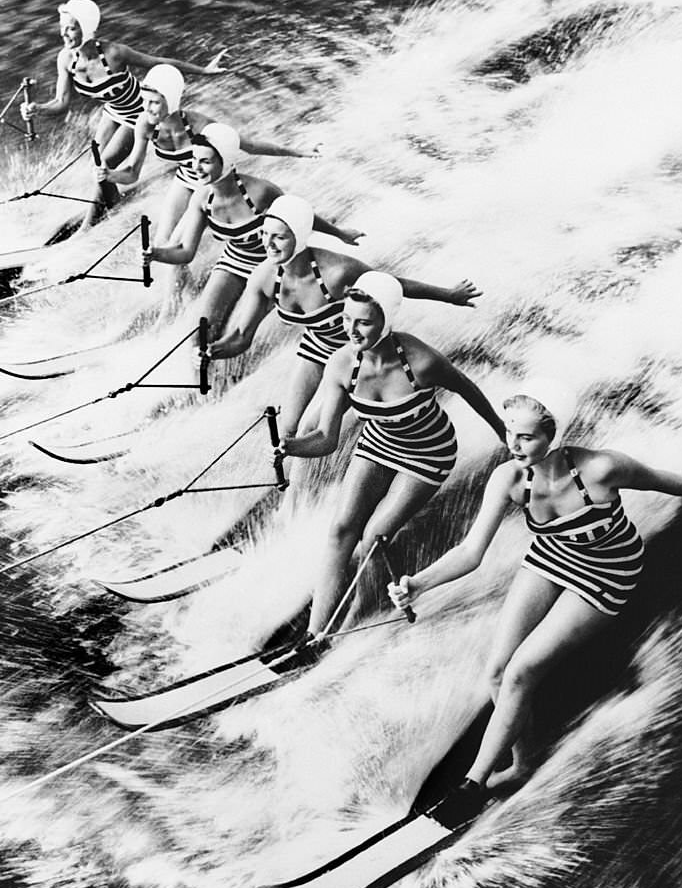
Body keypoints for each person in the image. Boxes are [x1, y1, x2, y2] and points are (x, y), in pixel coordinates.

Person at [388, 380, 682, 824]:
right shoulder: (508, 479)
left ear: (553, 436)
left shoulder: (602, 469)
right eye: (509, 433)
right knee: (498, 671)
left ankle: (473, 783)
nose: (514, 444)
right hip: (551, 557)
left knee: (523, 671)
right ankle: (522, 762)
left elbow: (669, 483)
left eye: (525, 436)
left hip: (607, 573)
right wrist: (418, 584)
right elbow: (471, 552)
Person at [275, 272, 506, 641]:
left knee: (373, 538)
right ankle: (316, 633)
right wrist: (291, 447)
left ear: (386, 320)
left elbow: (467, 389)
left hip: (428, 454)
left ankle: (351, 622)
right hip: (378, 443)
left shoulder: (420, 361)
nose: (351, 330)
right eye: (347, 319)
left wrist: (503, 433)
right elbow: (326, 439)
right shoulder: (341, 365)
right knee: (340, 530)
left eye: (363, 322)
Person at [204, 194, 482, 438]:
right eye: (265, 234)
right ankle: (289, 474)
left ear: (299, 238)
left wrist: (449, 295)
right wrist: (212, 351)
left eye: (279, 236)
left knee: (311, 427)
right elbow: (241, 337)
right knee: (288, 427)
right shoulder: (265, 277)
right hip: (316, 347)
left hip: (356, 352)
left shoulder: (338, 273)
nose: (268, 244)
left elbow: (392, 284)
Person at [21, 0, 227, 227]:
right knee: (96, 163)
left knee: (104, 164)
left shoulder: (114, 53)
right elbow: (61, 103)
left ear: (87, 29)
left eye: (71, 28)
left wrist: (204, 71)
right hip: (113, 111)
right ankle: (112, 204)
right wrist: (38, 110)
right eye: (62, 28)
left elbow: (159, 62)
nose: (64, 35)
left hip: (139, 112)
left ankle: (89, 227)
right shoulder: (66, 59)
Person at [142, 123, 362, 335]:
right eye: (194, 160)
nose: (196, 168)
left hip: (271, 264)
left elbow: (298, 216)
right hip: (234, 260)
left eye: (205, 161)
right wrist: (156, 254)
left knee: (240, 330)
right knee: (201, 330)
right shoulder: (202, 199)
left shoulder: (261, 192)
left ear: (225, 161)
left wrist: (341, 234)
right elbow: (185, 251)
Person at [95, 65, 320, 250]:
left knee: (175, 245)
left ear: (171, 100)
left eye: (154, 102)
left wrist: (299, 152)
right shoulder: (145, 124)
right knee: (161, 243)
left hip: (211, 184)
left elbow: (249, 146)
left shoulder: (201, 126)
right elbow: (132, 173)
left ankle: (179, 297)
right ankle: (178, 291)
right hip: (184, 179)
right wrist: (110, 175)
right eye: (144, 101)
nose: (147, 108)